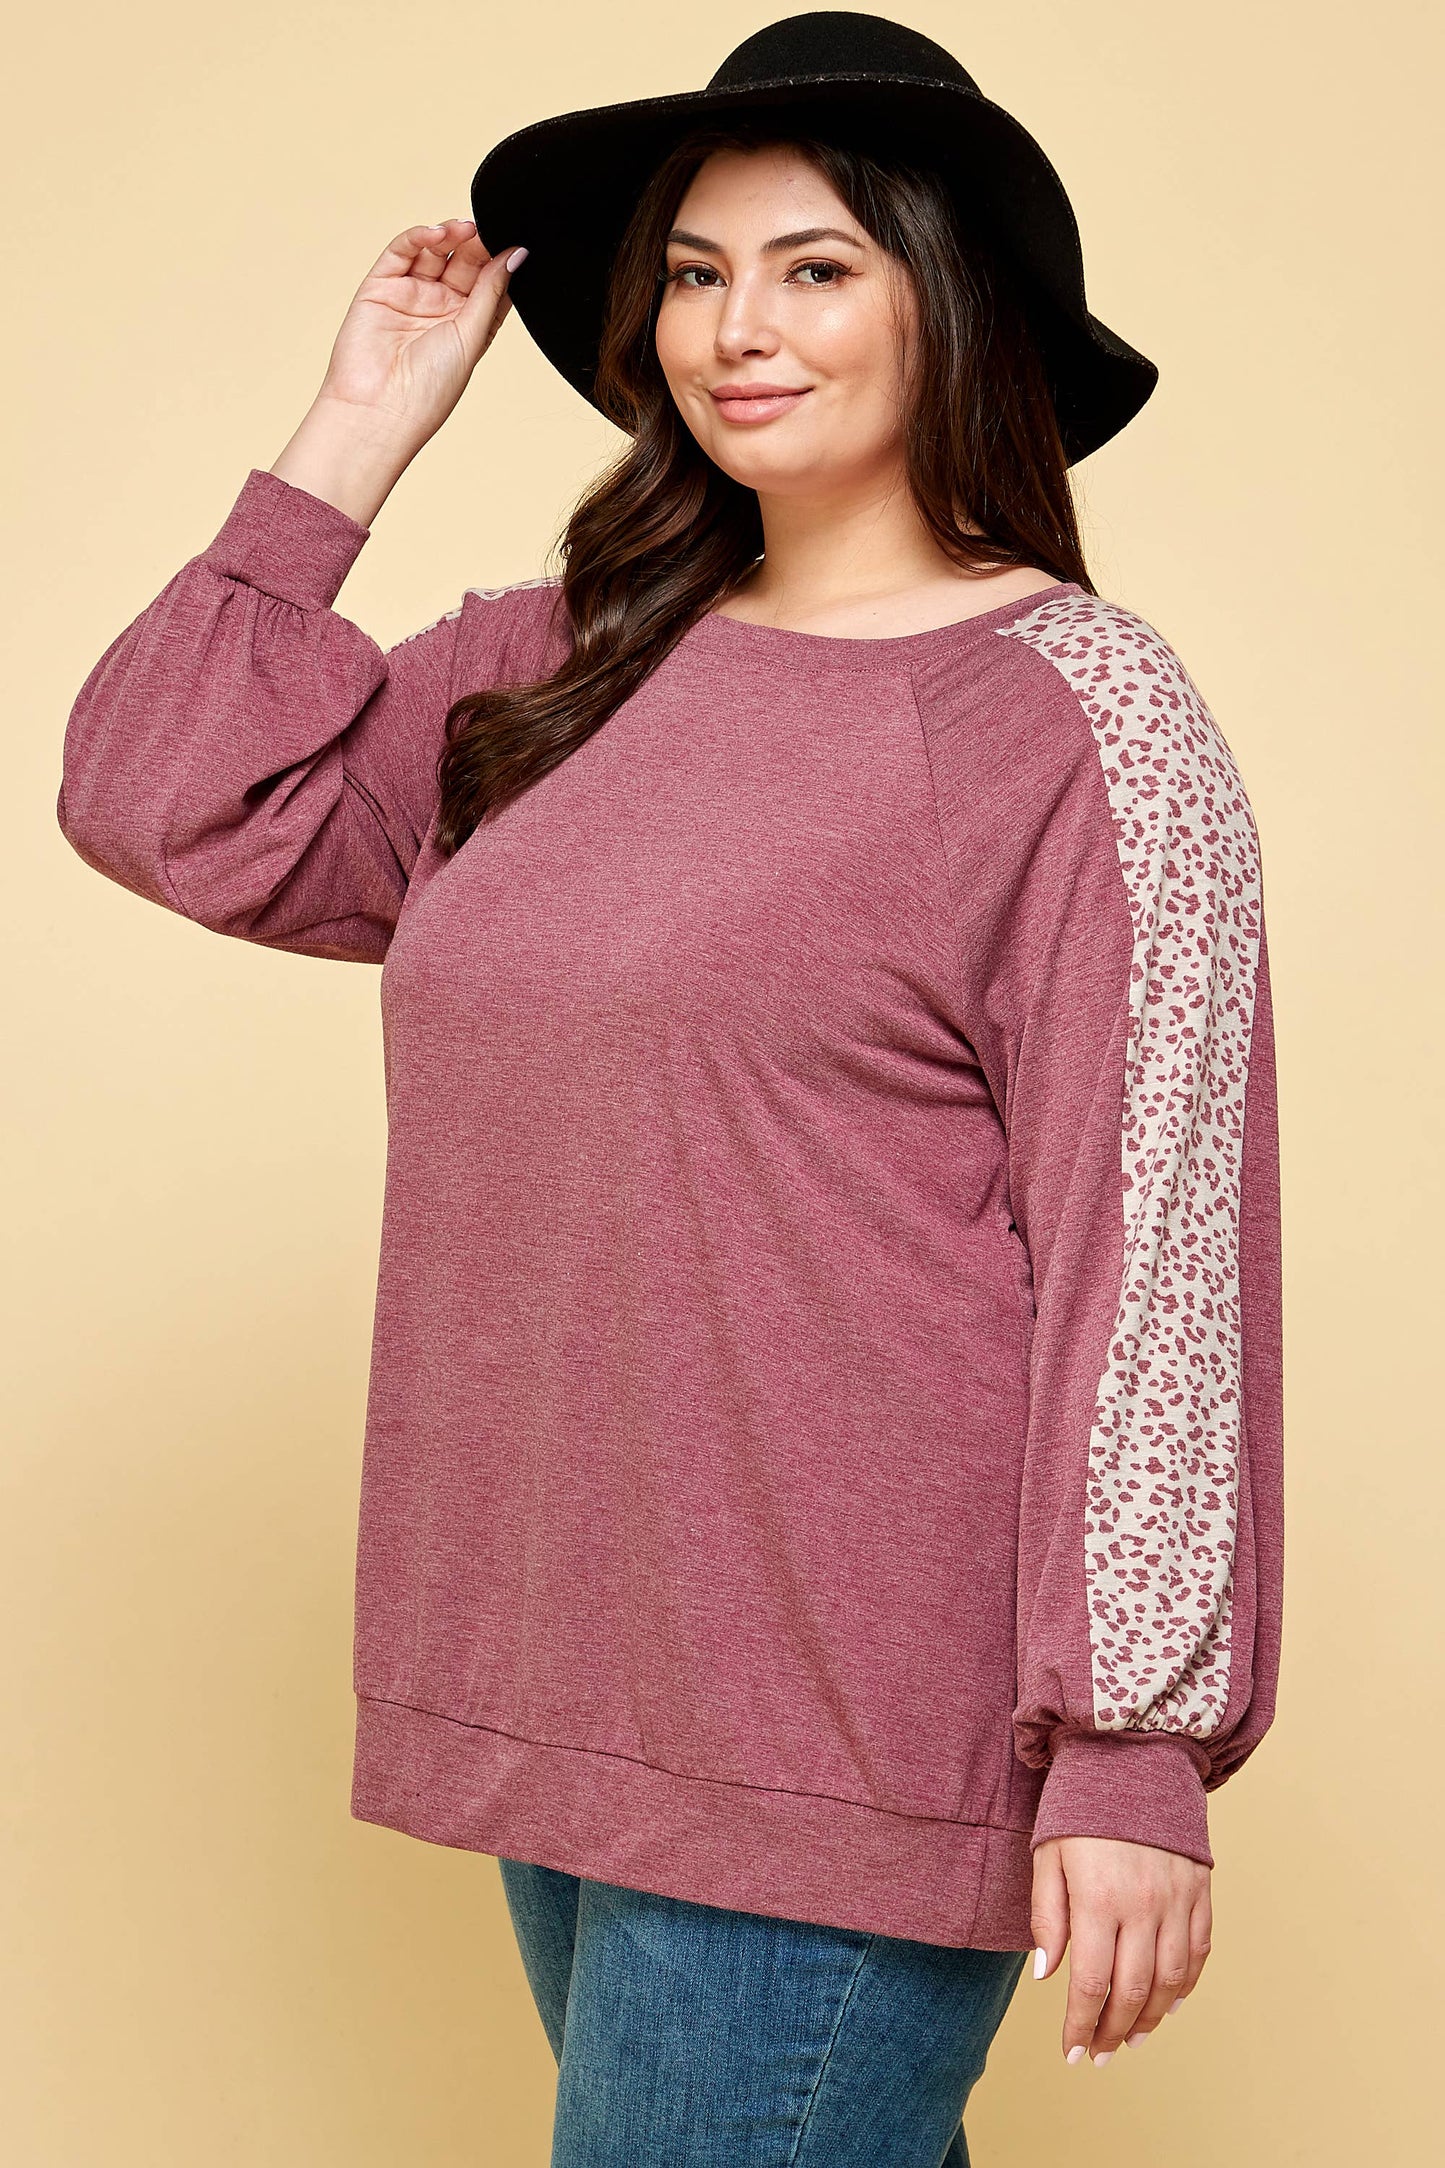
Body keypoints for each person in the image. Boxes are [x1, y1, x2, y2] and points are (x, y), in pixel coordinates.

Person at [55, 12, 1284, 2164]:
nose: (738, 328)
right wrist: (349, 440)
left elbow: (1156, 1242)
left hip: (843, 1718)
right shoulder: (556, 659)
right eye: (697, 273)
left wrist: (1130, 1745)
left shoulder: (1081, 719)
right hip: (565, 1673)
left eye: (815, 268)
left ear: (949, 302)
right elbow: (163, 798)